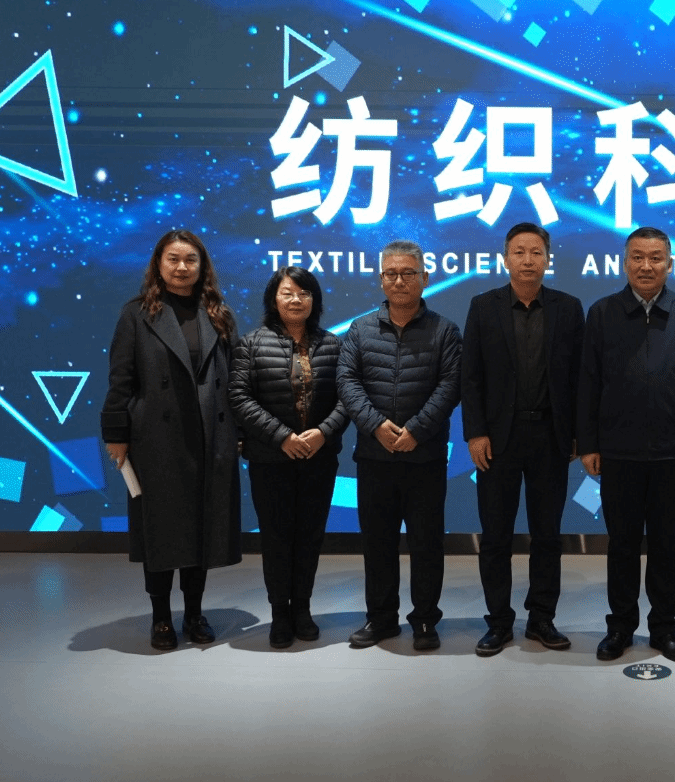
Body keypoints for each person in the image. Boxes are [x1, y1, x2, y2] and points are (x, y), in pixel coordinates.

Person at [578, 226, 675, 663]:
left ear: (669, 264)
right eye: (637, 257)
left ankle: (663, 628)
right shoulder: (602, 312)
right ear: (624, 263)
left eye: (656, 258)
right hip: (618, 451)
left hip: (674, 451)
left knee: (665, 544)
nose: (646, 266)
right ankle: (620, 627)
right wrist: (588, 444)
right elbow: (588, 383)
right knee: (621, 544)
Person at [101, 229, 241, 650]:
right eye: (173, 259)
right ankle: (161, 617)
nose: (182, 267)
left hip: (209, 437)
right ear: (158, 265)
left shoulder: (218, 313)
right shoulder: (136, 314)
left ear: (202, 266)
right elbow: (121, 380)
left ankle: (195, 613)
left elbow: (235, 380)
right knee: (160, 531)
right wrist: (116, 435)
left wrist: (238, 433)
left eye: (190, 260)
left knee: (201, 530)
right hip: (155, 441)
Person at [462, 222, 585, 656]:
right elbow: (471, 375)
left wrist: (578, 434)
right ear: (505, 259)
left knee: (547, 535)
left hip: (551, 437)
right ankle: (498, 622)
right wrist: (475, 432)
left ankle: (541, 618)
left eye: (536, 252)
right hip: (498, 439)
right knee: (495, 535)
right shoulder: (483, 306)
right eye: (519, 252)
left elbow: (580, 378)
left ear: (548, 259)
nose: (528, 260)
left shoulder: (569, 308)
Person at [337, 240, 461, 651]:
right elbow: (347, 381)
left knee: (426, 544)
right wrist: (376, 426)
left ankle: (425, 620)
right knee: (378, 544)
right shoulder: (360, 329)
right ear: (381, 279)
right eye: (391, 273)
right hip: (374, 457)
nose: (399, 281)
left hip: (425, 457)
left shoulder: (444, 331)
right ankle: (381, 619)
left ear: (425, 278)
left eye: (408, 273)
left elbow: (450, 385)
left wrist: (417, 430)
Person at [229, 267, 350, 648]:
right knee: (277, 538)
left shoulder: (333, 345)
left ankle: (303, 609)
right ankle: (280, 612)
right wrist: (282, 437)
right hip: (270, 459)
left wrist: (323, 433)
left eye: (304, 293)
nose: (296, 300)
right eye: (287, 293)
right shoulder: (251, 344)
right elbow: (239, 397)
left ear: (315, 300)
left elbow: (348, 398)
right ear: (273, 299)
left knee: (310, 537)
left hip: (319, 457)